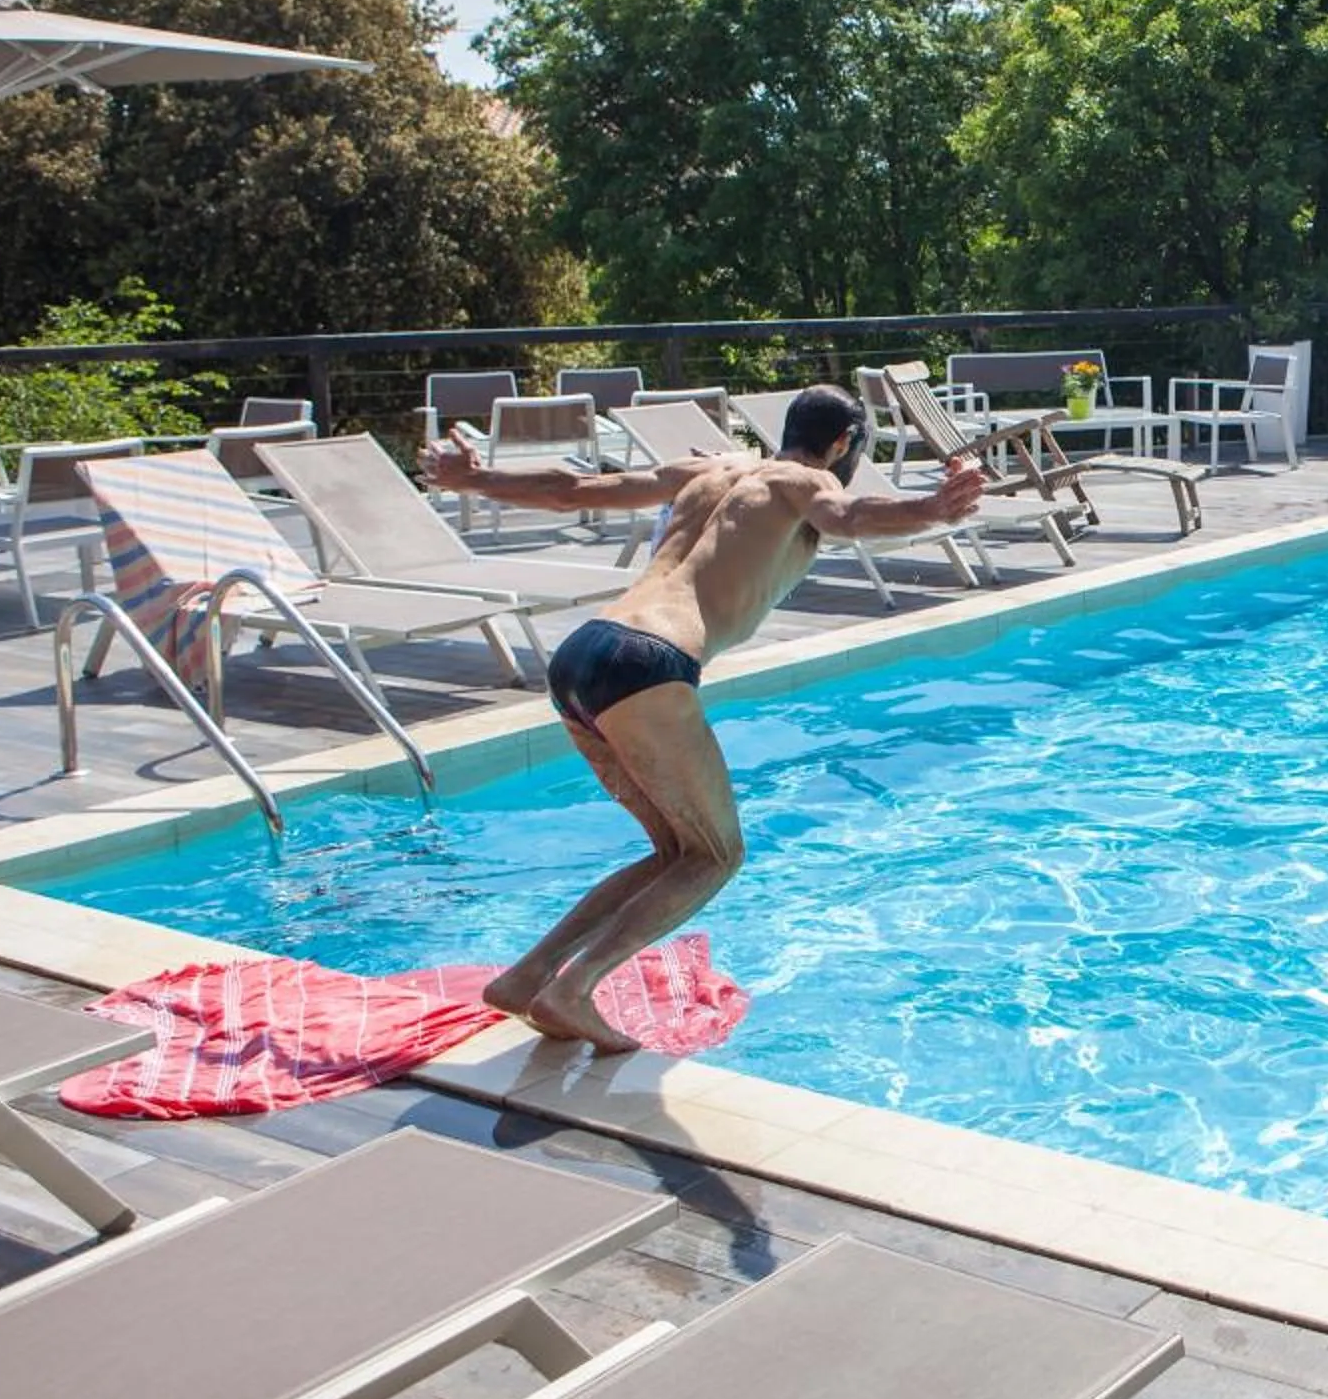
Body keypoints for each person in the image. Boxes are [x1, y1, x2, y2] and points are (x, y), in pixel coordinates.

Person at [421, 384, 984, 1051]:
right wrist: (932, 506)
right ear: (841, 445)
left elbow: (574, 491)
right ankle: (574, 988)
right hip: (650, 665)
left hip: (580, 655)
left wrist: (477, 477)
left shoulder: (706, 471)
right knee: (717, 856)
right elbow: (850, 515)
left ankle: (529, 976)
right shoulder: (806, 480)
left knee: (676, 853)